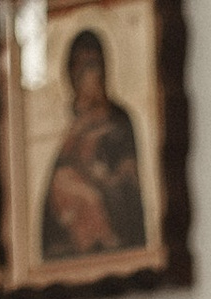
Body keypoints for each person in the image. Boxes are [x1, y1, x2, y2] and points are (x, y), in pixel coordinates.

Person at [39, 25, 147, 257]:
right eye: (80, 70)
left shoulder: (119, 118)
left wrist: (108, 177)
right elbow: (60, 169)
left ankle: (104, 236)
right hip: (74, 193)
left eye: (93, 67)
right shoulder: (71, 123)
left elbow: (129, 175)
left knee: (91, 196)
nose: (88, 77)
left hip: (112, 193)